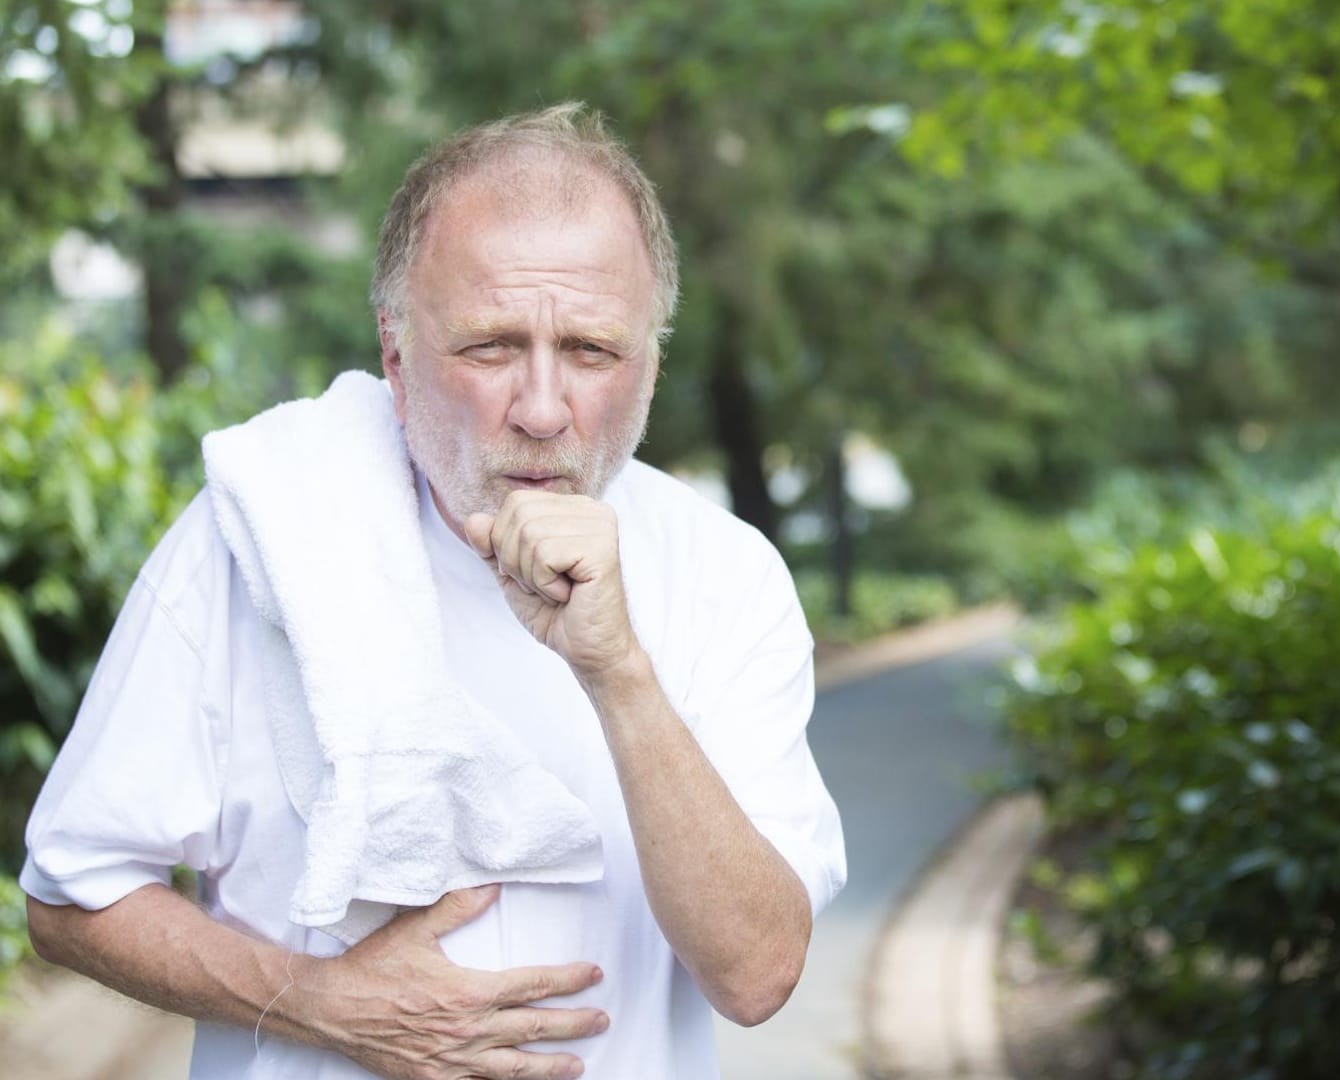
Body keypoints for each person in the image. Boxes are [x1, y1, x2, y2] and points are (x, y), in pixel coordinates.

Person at [21, 103, 846, 1080]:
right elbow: (72, 893)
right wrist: (316, 1002)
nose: (543, 410)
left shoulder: (724, 575)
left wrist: (618, 670)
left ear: (652, 362)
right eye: (491, 347)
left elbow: (756, 975)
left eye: (591, 351)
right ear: (396, 349)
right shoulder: (256, 538)